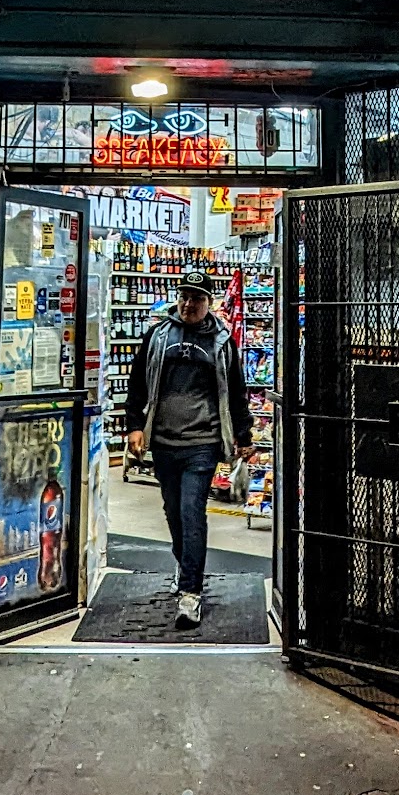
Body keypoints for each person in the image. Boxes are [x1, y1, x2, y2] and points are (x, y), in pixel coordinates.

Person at [125, 267, 254, 627]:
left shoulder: (222, 342)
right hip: (164, 442)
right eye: (184, 296)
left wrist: (243, 436)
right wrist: (134, 427)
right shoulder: (158, 336)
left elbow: (236, 392)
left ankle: (191, 594)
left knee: (191, 511)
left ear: (209, 303)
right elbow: (138, 384)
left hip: (203, 443)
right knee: (173, 513)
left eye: (196, 298)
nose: (188, 303)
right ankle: (186, 566)